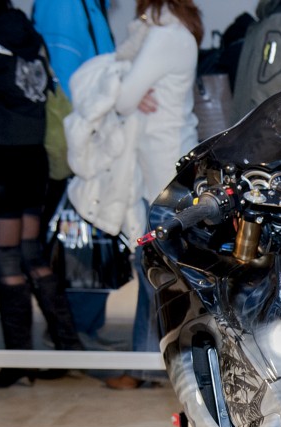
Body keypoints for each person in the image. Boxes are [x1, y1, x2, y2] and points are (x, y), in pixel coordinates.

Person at [0, 0, 86, 389]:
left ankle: (18, 363)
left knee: (7, 263)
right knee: (32, 256)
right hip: (33, 159)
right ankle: (69, 348)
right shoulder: (29, 33)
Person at [92, 0, 201, 390]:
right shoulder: (179, 31)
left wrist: (128, 91)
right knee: (158, 272)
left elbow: (122, 99)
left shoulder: (164, 36)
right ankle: (149, 365)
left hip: (160, 174)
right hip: (168, 166)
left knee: (156, 273)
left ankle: (147, 367)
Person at [33, 0, 117, 346]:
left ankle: (83, 327)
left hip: (90, 139)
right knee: (76, 238)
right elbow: (69, 85)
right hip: (79, 145)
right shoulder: (62, 5)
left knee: (90, 237)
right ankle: (73, 333)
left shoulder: (89, 4)